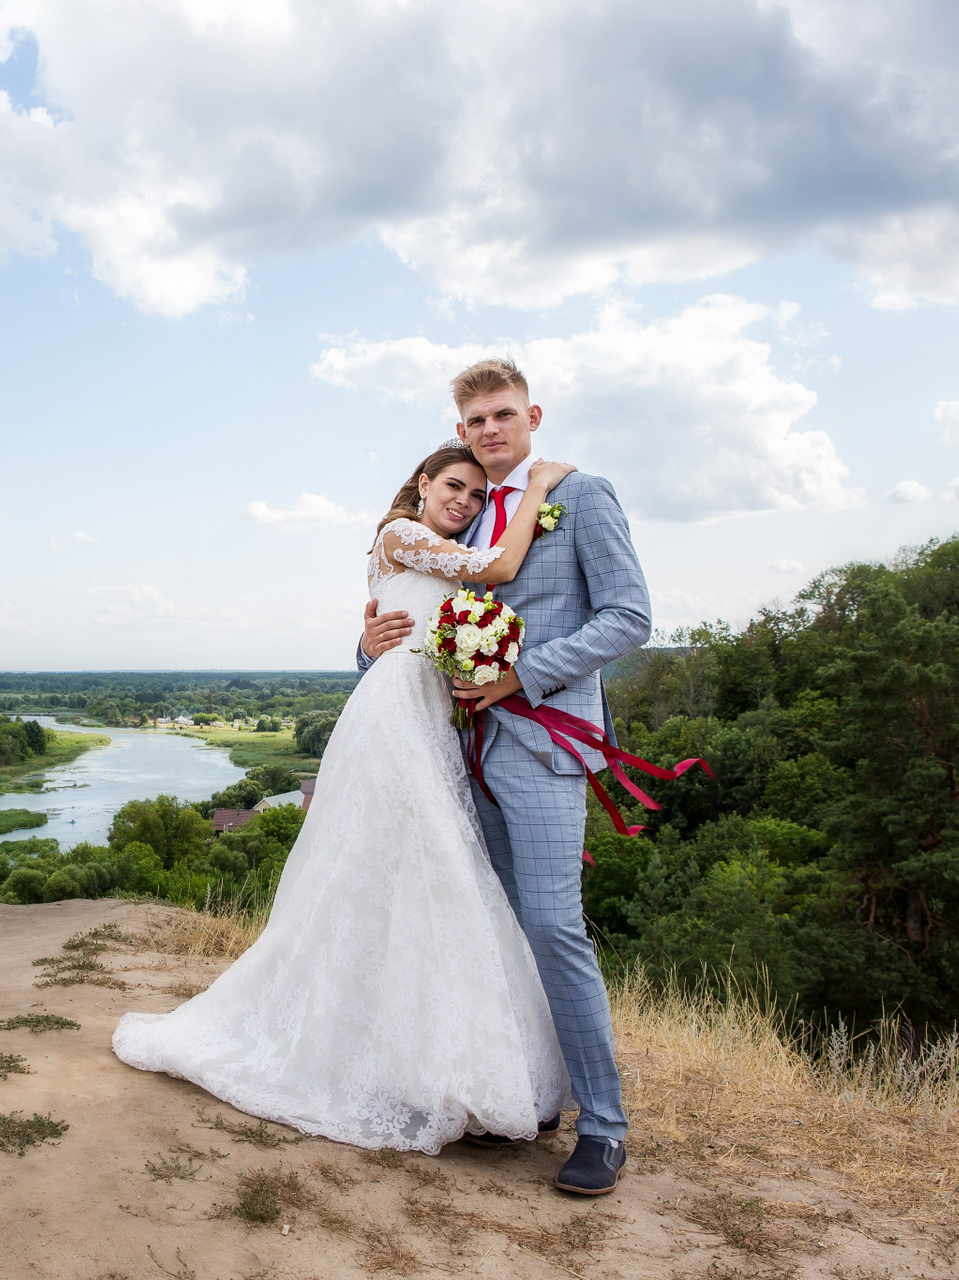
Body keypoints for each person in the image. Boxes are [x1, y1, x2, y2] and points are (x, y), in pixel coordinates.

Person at [111, 439, 581, 1160]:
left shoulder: (426, 546)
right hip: (392, 720)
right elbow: (497, 568)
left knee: (415, 883)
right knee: (430, 871)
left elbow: (422, 618)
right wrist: (541, 486)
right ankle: (417, 1067)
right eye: (454, 487)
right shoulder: (399, 535)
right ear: (422, 484)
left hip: (431, 719)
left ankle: (424, 1060)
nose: (465, 501)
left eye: (478, 495)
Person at [358, 358, 649, 1195]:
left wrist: (523, 675)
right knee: (495, 928)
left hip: (543, 743)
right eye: (477, 420)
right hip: (457, 752)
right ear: (460, 431)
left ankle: (604, 1126)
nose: (491, 429)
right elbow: (410, 622)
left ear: (533, 416)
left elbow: (629, 616)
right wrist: (366, 648)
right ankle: (527, 1095)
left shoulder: (580, 497)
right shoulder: (465, 515)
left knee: (553, 927)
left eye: (504, 415)